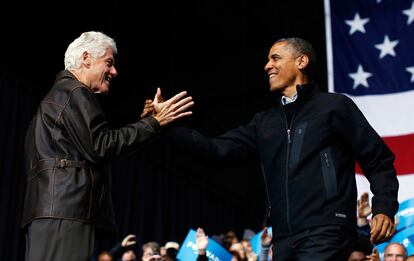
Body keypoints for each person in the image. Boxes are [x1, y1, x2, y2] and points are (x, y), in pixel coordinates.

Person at [143, 37, 399, 260]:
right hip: (283, 239)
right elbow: (215, 149)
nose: (267, 66)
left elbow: (378, 159)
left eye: (275, 58)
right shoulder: (264, 123)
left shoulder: (334, 107)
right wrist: (163, 126)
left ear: (301, 62)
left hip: (326, 229)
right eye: (267, 60)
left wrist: (384, 207)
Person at [21, 31, 194, 261]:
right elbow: (102, 146)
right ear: (86, 58)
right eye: (109, 63)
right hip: (65, 213)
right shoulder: (74, 91)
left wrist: (146, 124)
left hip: (48, 213)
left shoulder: (56, 97)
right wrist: (154, 123)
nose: (114, 72)